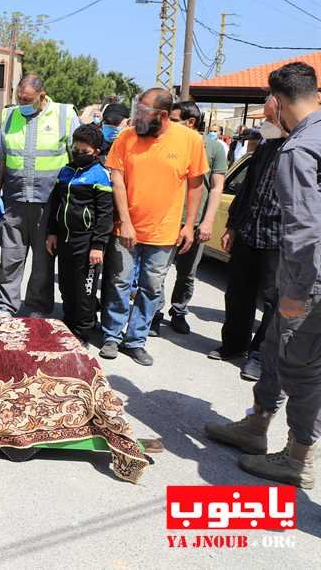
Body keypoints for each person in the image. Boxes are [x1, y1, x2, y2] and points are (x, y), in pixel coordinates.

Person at [206, 61, 321, 489]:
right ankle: (256, 426)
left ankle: (298, 457)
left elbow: (305, 229)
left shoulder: (300, 148)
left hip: (309, 276)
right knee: (274, 345)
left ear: (275, 100)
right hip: (307, 270)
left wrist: (299, 290)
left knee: (303, 367)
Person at [99, 88, 208, 366]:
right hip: (127, 228)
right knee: (119, 281)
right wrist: (125, 222)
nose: (137, 118)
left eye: (143, 113)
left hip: (164, 232)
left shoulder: (190, 140)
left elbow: (196, 186)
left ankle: (135, 340)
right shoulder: (126, 137)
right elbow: (118, 180)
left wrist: (189, 225)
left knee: (151, 286)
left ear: (161, 115)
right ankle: (111, 335)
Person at [0, 74, 80, 318]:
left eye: (27, 99)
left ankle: (37, 307)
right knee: (10, 257)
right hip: (14, 200)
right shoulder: (10, 116)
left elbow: (78, 159)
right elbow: (1, 157)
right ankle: (5, 306)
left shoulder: (64, 115)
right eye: (19, 97)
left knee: (43, 261)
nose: (22, 103)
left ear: (42, 95)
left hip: (48, 202)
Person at [215, 96, 285, 378]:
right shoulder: (266, 147)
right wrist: (232, 226)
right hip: (248, 232)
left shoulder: (305, 150)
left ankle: (259, 356)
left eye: (269, 119)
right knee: (237, 292)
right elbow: (246, 190)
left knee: (273, 301)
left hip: (280, 240)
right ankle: (233, 344)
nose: (265, 125)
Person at [151, 101, 228, 336]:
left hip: (194, 225)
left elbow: (216, 188)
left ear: (191, 122)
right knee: (157, 271)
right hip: (165, 220)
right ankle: (154, 313)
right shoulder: (163, 141)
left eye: (174, 120)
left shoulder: (213, 148)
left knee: (187, 274)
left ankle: (179, 311)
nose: (168, 124)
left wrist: (207, 222)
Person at [45, 124, 114, 342]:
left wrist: (98, 245)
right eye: (76, 149)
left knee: (85, 289)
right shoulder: (65, 171)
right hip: (64, 240)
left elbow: (105, 215)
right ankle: (69, 322)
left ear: (96, 151)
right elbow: (55, 204)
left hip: (87, 243)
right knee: (66, 285)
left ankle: (83, 330)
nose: (79, 154)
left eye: (85, 151)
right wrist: (52, 233)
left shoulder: (100, 175)